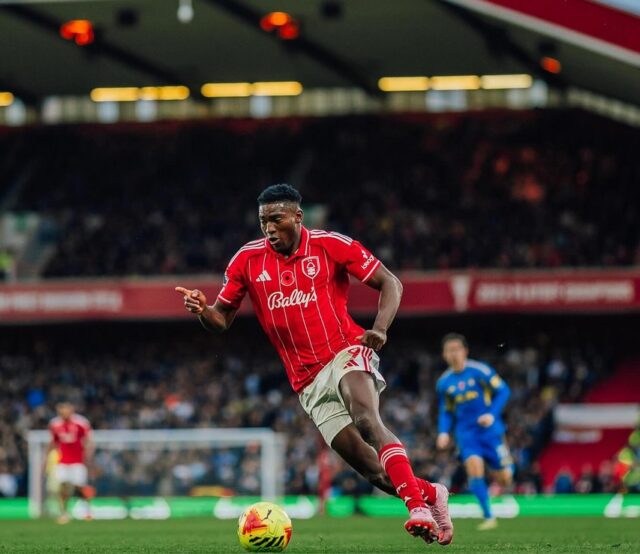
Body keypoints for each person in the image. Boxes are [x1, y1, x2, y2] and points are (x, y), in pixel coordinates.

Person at [175, 184, 452, 545]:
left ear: (298, 217)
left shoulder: (330, 245)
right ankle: (431, 494)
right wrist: (203, 310)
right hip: (306, 380)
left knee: (367, 420)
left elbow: (390, 282)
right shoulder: (247, 260)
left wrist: (380, 329)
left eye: (276, 219)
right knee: (374, 472)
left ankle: (417, 508)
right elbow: (221, 319)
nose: (269, 228)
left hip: (346, 350)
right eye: (263, 221)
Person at [436, 333, 512, 530]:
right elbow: (446, 411)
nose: (454, 354)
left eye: (457, 349)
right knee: (474, 468)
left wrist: (491, 414)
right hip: (466, 433)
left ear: (465, 351)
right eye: (449, 351)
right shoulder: (444, 382)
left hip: (490, 430)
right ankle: (488, 516)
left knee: (505, 478)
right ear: (444, 355)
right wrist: (443, 432)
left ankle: (505, 468)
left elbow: (504, 391)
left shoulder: (480, 371)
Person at [46, 402, 94, 524]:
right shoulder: (54, 424)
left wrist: (88, 457)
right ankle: (64, 513)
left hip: (78, 462)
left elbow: (89, 440)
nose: (63, 413)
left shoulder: (81, 423)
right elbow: (53, 442)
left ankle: (87, 511)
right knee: (62, 488)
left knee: (81, 487)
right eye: (61, 411)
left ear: (71, 410)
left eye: (66, 410)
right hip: (62, 461)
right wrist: (46, 458)